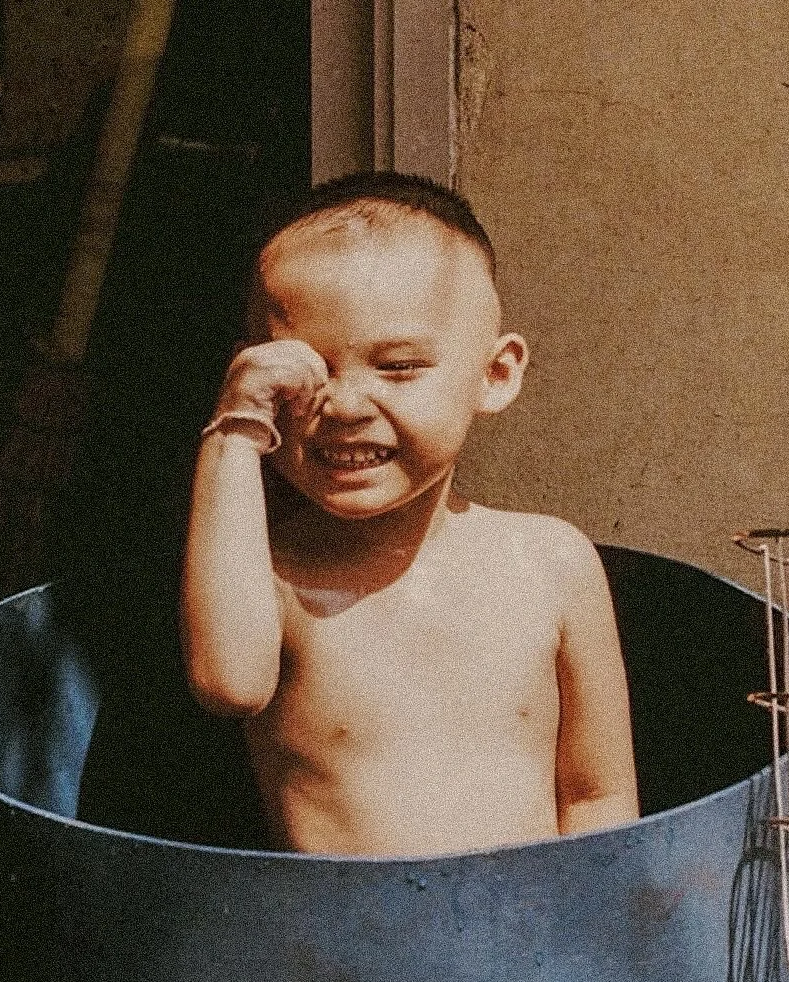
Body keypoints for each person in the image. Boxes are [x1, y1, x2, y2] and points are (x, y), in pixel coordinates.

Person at [180, 171, 640, 857]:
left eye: (396, 367)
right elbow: (229, 682)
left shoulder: (551, 563)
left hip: (531, 944)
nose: (344, 404)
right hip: (345, 952)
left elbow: (597, 793)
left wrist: (590, 940)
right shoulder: (269, 576)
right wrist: (236, 427)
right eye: (307, 372)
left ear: (496, 374)